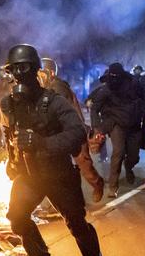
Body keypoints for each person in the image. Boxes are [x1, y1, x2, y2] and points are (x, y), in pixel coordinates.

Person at [0, 44, 106, 256]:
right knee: (16, 218)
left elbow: (77, 131)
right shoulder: (8, 104)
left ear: (36, 70)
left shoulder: (54, 101)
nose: (17, 75)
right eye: (12, 70)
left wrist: (42, 143)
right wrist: (12, 160)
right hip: (28, 175)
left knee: (77, 225)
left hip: (58, 174)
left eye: (23, 68)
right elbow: (8, 134)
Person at [40, 57, 105, 202]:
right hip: (59, 133)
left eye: (41, 74)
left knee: (84, 164)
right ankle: (62, 201)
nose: (38, 77)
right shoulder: (45, 88)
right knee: (55, 167)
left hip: (74, 130)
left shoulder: (58, 88)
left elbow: (58, 112)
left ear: (50, 73)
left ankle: (97, 183)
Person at [90, 63, 145, 198]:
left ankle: (129, 167)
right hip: (116, 124)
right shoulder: (106, 90)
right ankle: (113, 186)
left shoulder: (133, 84)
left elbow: (144, 98)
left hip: (133, 124)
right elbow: (94, 108)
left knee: (133, 156)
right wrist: (97, 128)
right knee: (118, 152)